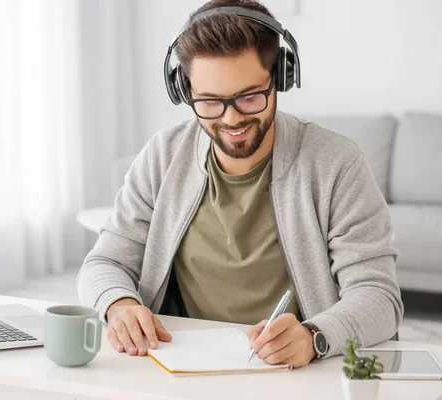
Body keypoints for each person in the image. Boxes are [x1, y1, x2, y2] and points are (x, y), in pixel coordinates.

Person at [77, 0, 403, 369]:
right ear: (184, 91)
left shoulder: (337, 163)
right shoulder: (163, 155)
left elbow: (378, 296)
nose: (232, 119)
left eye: (250, 97)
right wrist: (118, 303)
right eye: (210, 102)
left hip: (297, 371)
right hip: (181, 366)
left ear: (281, 77)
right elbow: (104, 261)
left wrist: (316, 335)